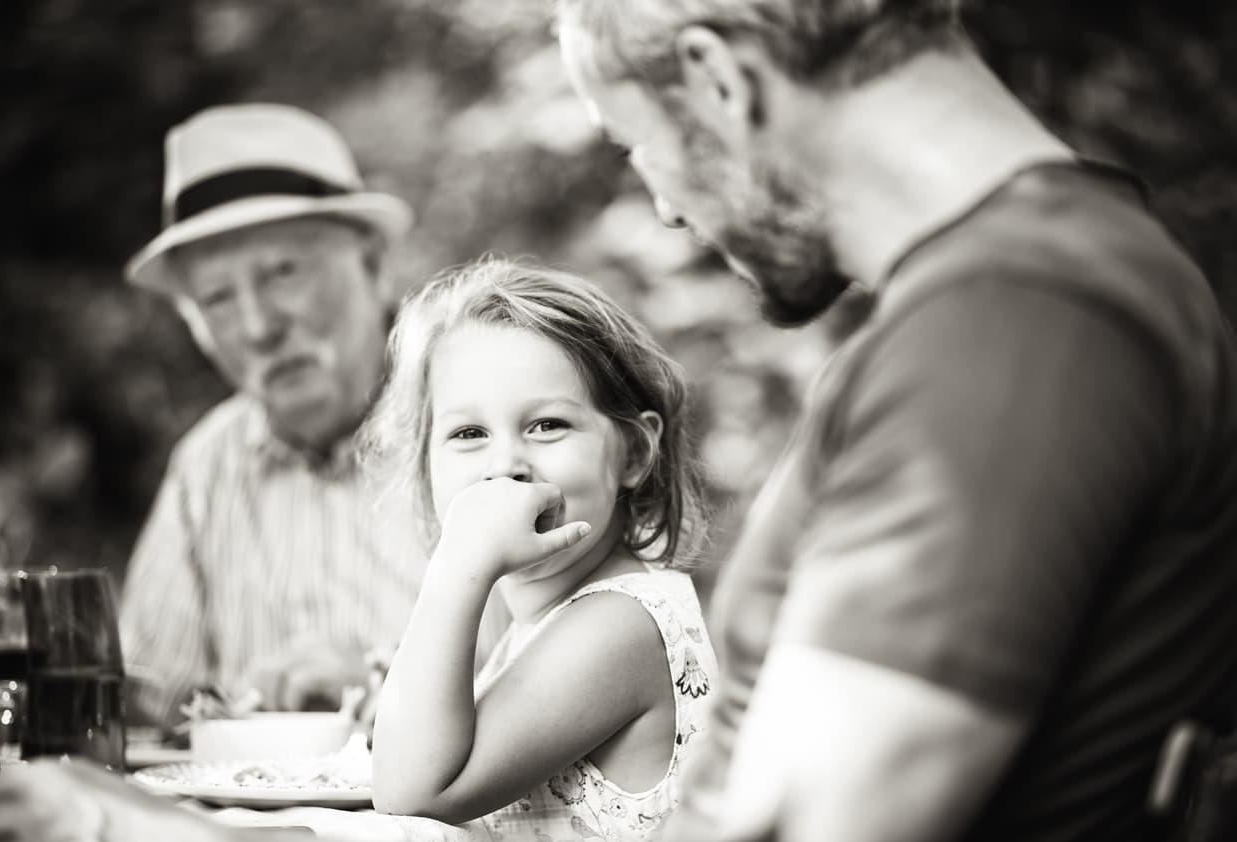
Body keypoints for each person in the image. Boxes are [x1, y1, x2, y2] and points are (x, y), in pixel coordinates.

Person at [552, 2, 1237, 842]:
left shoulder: (1013, 325)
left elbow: (822, 821)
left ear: (718, 79)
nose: (662, 207)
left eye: (637, 144)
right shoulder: (1034, 289)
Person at [117, 103, 504, 728]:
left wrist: (383, 688)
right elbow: (151, 702)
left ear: (373, 265)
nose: (258, 326)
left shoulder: (483, 423)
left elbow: (567, 673)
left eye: (282, 273)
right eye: (216, 297)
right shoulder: (208, 461)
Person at [363, 257, 718, 839]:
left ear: (631, 454)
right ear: (424, 464)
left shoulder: (620, 624)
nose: (506, 465)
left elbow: (411, 793)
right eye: (469, 433)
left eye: (547, 425)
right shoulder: (544, 624)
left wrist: (456, 566)